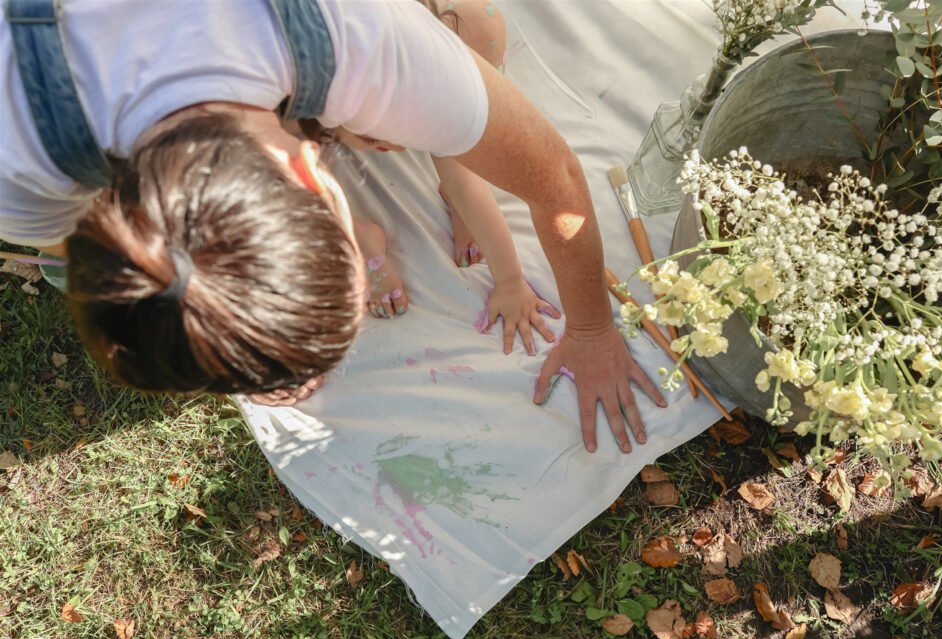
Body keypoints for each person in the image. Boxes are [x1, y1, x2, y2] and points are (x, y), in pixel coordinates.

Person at [0, 0, 665, 453]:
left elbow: (555, 179)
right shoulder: (17, 165)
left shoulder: (360, 34)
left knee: (479, 28)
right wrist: (247, 328)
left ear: (318, 172)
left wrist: (590, 327)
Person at [333, 0, 562, 357]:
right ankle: (362, 235)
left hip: (458, 27)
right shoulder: (292, 81)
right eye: (373, 139)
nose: (392, 147)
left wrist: (511, 282)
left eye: (404, 133)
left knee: (480, 34)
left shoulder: (453, 48)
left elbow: (467, 183)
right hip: (321, 67)